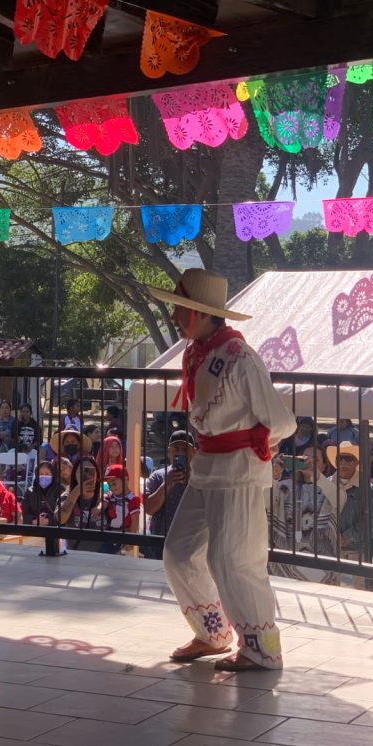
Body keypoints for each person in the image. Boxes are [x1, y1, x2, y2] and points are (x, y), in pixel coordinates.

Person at [149, 268, 297, 672]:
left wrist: (256, 445)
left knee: (233, 560)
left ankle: (262, 647)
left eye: (181, 309)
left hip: (239, 471)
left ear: (199, 313)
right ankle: (213, 632)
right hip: (208, 465)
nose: (176, 317)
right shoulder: (197, 352)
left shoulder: (241, 358)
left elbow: (282, 421)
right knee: (179, 553)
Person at [268, 446, 339, 585]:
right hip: (287, 559)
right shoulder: (283, 486)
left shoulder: (330, 487)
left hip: (321, 559)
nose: (309, 463)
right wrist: (273, 477)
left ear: (324, 466)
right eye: (304, 459)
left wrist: (317, 476)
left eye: (315, 460)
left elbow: (340, 500)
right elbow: (266, 502)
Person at [143, 430, 197, 559]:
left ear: (194, 452)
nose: (180, 452)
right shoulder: (157, 476)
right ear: (169, 452)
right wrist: (166, 485)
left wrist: (192, 482)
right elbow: (149, 509)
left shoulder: (202, 477)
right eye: (176, 448)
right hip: (161, 542)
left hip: (192, 542)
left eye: (184, 449)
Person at [325, 442, 373, 562]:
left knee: (359, 581)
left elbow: (370, 519)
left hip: (357, 549)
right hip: (329, 547)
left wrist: (347, 537)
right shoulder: (325, 484)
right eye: (340, 458)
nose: (343, 462)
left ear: (357, 462)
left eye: (348, 458)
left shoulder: (367, 488)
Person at [56, 457, 109, 552]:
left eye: (91, 471)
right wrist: (76, 492)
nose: (88, 475)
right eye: (83, 471)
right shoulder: (67, 496)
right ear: (75, 474)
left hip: (102, 557)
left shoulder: (104, 496)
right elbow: (60, 519)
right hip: (75, 556)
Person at [23, 460, 65, 526]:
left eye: (47, 474)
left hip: (55, 531)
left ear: (53, 475)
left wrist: (49, 521)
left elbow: (64, 513)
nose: (44, 476)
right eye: (41, 474)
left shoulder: (60, 490)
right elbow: (24, 515)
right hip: (35, 530)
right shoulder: (30, 491)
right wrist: (34, 521)